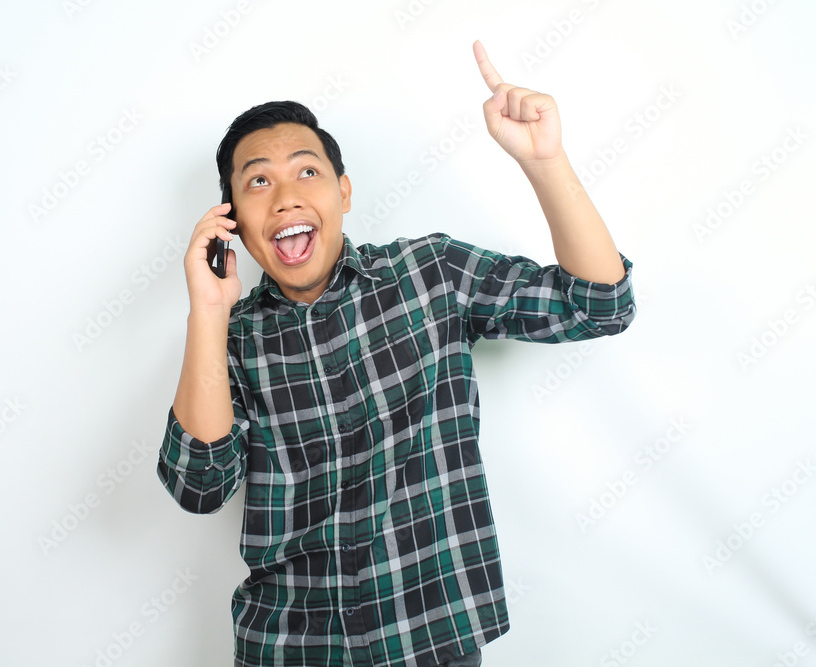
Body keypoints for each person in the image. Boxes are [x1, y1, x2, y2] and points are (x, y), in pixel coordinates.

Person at [157, 41, 636, 667]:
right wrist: (209, 313)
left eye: (307, 172)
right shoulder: (231, 338)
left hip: (430, 637)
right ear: (234, 223)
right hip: (290, 648)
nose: (285, 198)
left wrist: (546, 163)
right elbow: (198, 486)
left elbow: (601, 305)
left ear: (344, 192)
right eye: (258, 183)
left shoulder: (429, 273)